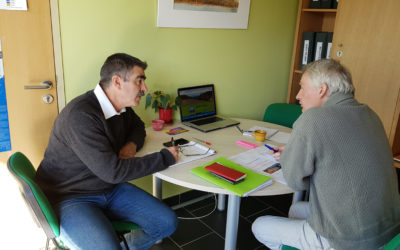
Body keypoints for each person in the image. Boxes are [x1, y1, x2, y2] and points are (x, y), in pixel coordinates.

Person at [35, 53, 179, 250]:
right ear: (118, 81)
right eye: (140, 81)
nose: (145, 88)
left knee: (167, 222)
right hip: (70, 196)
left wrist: (130, 146)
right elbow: (114, 172)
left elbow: (138, 127)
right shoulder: (81, 116)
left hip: (108, 188)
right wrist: (165, 157)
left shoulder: (120, 107)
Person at [252, 59, 400, 250]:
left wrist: (291, 158)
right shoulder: (370, 114)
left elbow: (297, 182)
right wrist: (295, 153)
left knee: (260, 226)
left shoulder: (312, 118)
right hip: (389, 231)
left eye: (303, 88)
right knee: (297, 209)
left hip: (348, 241)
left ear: (322, 89)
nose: (298, 96)